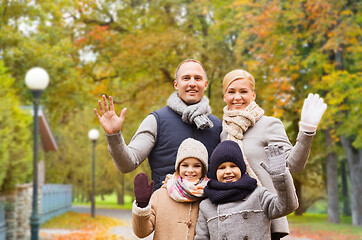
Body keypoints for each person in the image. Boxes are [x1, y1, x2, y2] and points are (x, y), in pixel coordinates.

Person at [220, 69, 327, 239]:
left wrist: (307, 131)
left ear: (253, 95)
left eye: (243, 91)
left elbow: (294, 165)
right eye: (231, 92)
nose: (237, 97)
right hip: (233, 220)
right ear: (224, 96)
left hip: (265, 216)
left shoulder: (269, 124)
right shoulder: (224, 133)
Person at [94, 59, 222, 190]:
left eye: (198, 78)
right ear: (176, 84)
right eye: (186, 78)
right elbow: (127, 164)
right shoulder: (156, 121)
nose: (192, 83)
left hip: (205, 208)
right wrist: (114, 135)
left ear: (205, 84)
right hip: (165, 206)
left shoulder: (216, 126)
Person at [195, 140, 299, 240]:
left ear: (241, 169)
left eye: (233, 166)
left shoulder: (258, 194)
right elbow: (201, 238)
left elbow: (287, 206)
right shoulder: (206, 205)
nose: (228, 171)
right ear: (214, 173)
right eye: (222, 168)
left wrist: (280, 178)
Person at [132, 138, 210, 239]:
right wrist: (142, 206)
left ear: (203, 169)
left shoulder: (208, 196)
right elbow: (141, 233)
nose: (190, 170)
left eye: (196, 166)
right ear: (178, 167)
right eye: (185, 165)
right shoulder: (160, 195)